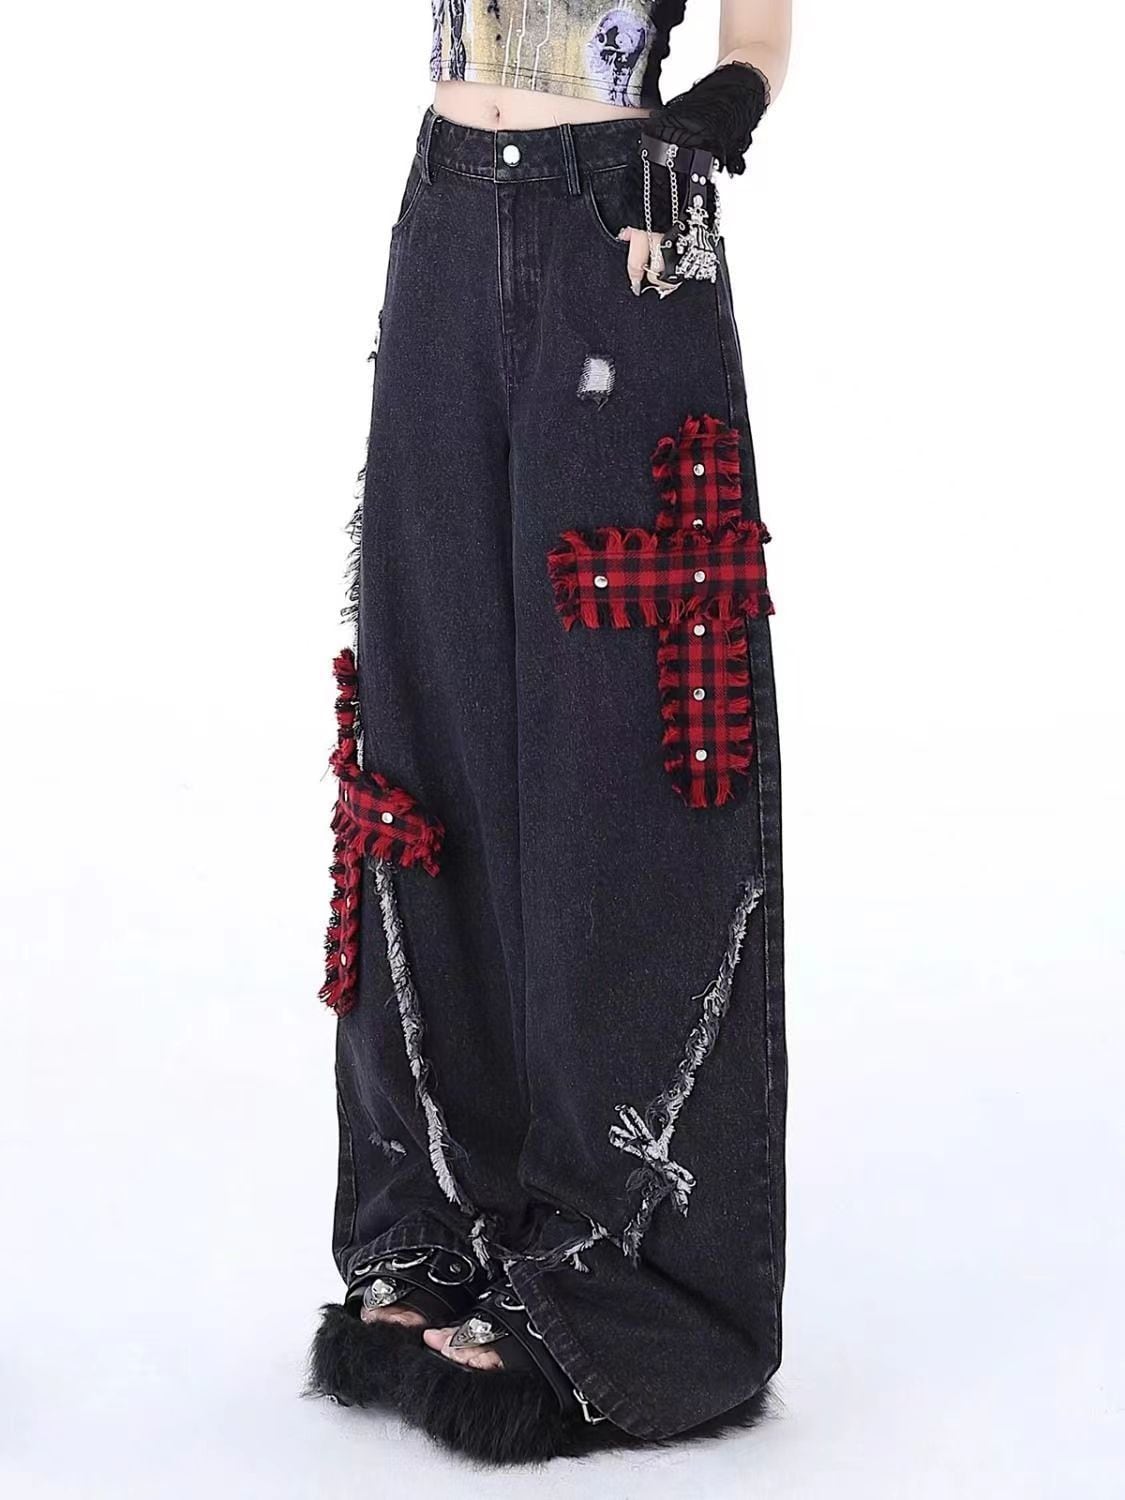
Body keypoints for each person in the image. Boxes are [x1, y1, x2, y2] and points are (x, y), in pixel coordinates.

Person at [308, 0, 792, 1465]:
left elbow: (760, 33)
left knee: (627, 746)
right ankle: (437, 1221)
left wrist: (714, 117)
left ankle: (626, 1282)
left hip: (621, 215)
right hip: (447, 208)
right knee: (427, 711)